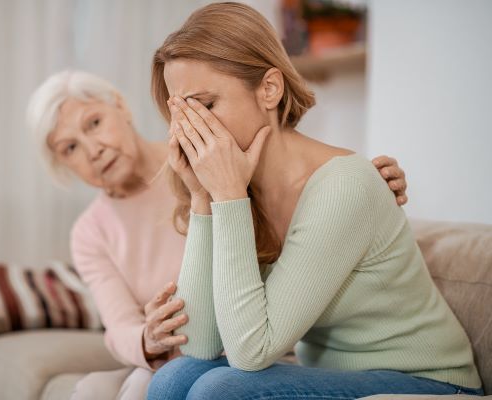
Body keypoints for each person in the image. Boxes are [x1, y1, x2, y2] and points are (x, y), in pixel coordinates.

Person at [146, 3, 483, 399]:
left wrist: (228, 195)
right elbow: (200, 344)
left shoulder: (344, 186)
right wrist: (204, 196)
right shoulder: (238, 189)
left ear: (269, 89)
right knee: (174, 378)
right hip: (330, 375)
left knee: (220, 390)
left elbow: (251, 353)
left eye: (203, 106)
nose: (192, 130)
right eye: (181, 114)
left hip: (426, 379)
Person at [26, 70, 410, 399]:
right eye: (70, 147)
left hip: (254, 335)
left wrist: (366, 180)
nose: (93, 149)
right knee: (97, 389)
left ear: (120, 106)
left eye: (94, 123)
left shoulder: (207, 159)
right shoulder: (90, 232)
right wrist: (148, 337)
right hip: (184, 347)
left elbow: (299, 182)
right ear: (62, 163)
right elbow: (118, 325)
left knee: (160, 385)